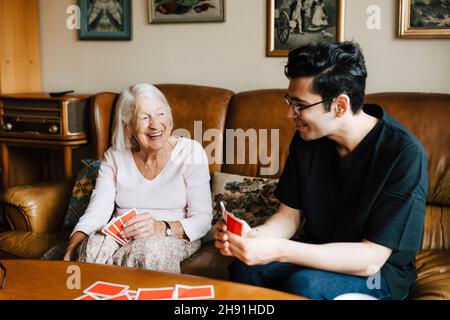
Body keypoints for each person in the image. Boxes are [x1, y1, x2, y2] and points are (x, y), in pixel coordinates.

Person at [214, 42, 428, 300]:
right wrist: (252, 238)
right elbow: (288, 218)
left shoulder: (403, 154)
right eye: (289, 102)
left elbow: (370, 259)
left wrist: (279, 250)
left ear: (339, 105)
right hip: (315, 253)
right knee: (245, 269)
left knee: (307, 285)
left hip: (377, 274)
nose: (289, 114)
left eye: (300, 105)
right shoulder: (307, 138)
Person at [64, 84, 212, 274]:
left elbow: (203, 218)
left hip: (174, 235)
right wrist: (73, 246)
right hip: (123, 233)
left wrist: (162, 228)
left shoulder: (191, 152)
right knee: (92, 245)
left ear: (170, 117)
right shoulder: (115, 156)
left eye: (161, 114)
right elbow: (97, 212)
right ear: (128, 128)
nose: (155, 124)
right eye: (144, 117)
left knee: (147, 250)